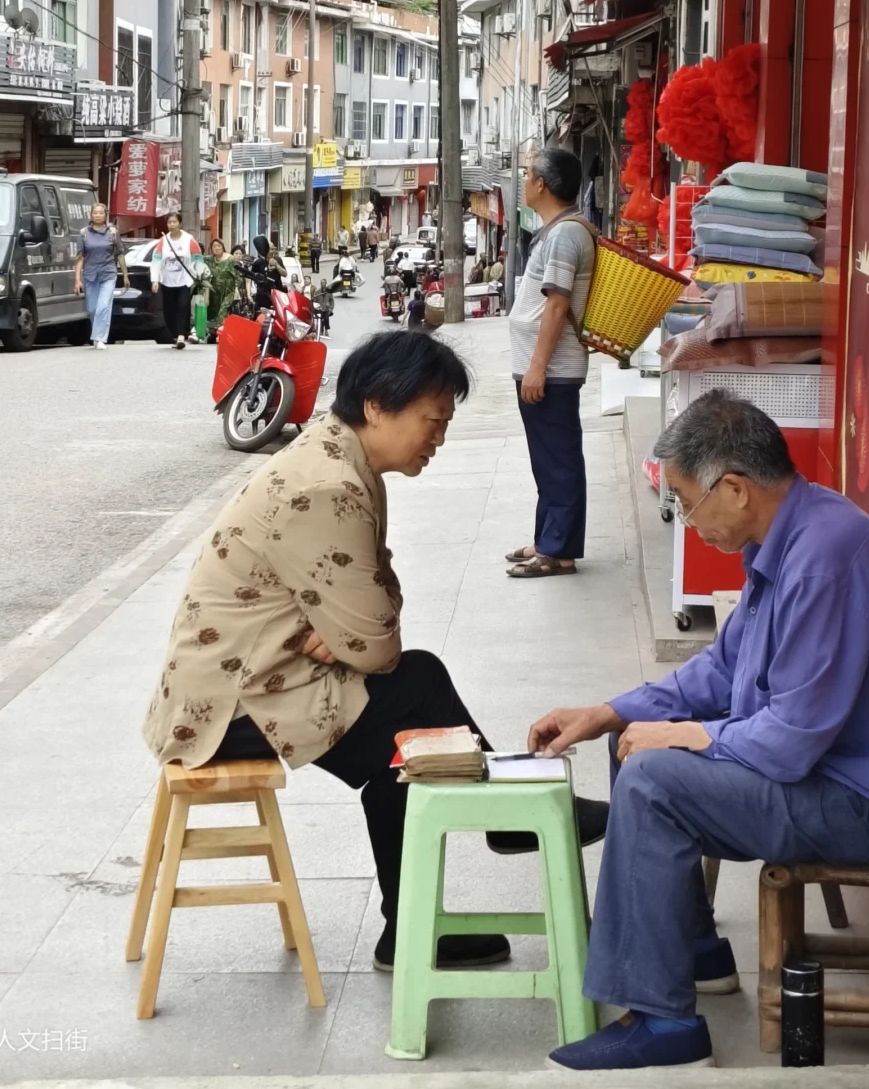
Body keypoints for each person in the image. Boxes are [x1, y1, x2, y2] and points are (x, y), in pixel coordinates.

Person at [143, 333, 608, 971]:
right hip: (229, 707)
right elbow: (378, 642)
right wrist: (347, 635)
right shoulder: (329, 485)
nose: (438, 437)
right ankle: (482, 838)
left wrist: (346, 631)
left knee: (408, 730)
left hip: (257, 678)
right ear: (377, 407)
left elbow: (376, 604)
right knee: (411, 693)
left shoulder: (343, 459)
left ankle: (417, 920)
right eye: (432, 420)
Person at [529, 389, 869, 1073]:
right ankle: (691, 946)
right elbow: (724, 669)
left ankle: (663, 1020)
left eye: (685, 502)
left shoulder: (825, 556)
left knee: (652, 778)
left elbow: (790, 739)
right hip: (836, 774)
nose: (686, 520)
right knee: (634, 736)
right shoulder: (790, 535)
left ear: (733, 488)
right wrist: (608, 712)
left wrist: (687, 740)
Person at [506, 148, 595, 580]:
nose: (524, 182)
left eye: (527, 176)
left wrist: (538, 367)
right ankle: (548, 538)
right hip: (546, 368)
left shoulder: (564, 236)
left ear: (542, 184)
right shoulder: (557, 231)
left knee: (558, 460)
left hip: (553, 371)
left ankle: (559, 551)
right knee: (548, 460)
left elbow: (557, 306)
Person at [72, 202, 129, 349]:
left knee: (103, 306)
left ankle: (100, 338)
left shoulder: (113, 232)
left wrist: (125, 275)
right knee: (92, 309)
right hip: (90, 274)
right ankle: (97, 335)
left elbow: (120, 254)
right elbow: (79, 258)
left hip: (108, 273)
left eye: (101, 213)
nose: (98, 215)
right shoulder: (84, 233)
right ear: (91, 215)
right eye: (95, 213)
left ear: (105, 215)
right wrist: (77, 280)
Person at [150, 212, 203, 349]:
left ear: (180, 223)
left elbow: (198, 258)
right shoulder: (163, 241)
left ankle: (181, 335)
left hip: (185, 280)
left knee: (183, 307)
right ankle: (175, 334)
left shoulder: (189, 240)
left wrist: (199, 275)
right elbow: (156, 261)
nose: (172, 225)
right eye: (169, 222)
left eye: (174, 222)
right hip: (167, 281)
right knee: (169, 310)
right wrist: (155, 280)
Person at [205, 238, 238, 340]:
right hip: (214, 292)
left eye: (219, 246)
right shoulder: (209, 260)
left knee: (222, 310)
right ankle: (213, 333)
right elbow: (197, 258)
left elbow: (238, 275)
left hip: (228, 291)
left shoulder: (231, 259)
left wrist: (237, 288)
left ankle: (220, 334)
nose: (217, 248)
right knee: (213, 313)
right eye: (214, 246)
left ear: (223, 247)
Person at [249, 233, 285, 311]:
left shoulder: (278, 259)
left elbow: (285, 274)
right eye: (270, 249)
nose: (272, 251)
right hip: (263, 296)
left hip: (278, 294)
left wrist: (276, 265)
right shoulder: (258, 263)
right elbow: (250, 277)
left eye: (273, 249)